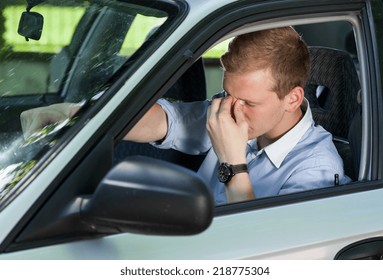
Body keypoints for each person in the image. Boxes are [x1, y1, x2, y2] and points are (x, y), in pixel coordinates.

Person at [21, 27, 351, 205]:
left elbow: (262, 253)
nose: (231, 111)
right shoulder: (230, 111)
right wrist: (71, 114)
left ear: (292, 98)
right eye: (226, 94)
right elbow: (163, 119)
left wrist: (232, 161)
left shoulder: (316, 170)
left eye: (248, 102)